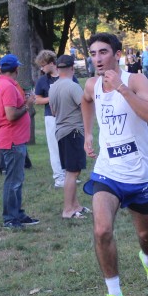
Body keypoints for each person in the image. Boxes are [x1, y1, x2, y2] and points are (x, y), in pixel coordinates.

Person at [80, 32, 148, 296]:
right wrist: (88, 133)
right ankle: (114, 294)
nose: (97, 58)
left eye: (103, 52)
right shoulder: (92, 85)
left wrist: (121, 88)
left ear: (117, 54)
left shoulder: (135, 80)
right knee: (102, 230)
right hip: (108, 172)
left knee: (147, 237)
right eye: (93, 53)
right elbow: (86, 101)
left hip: (138, 174)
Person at [0, 53, 39, 229]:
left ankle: (17, 214)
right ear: (16, 69)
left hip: (13, 138)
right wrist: (28, 104)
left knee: (17, 179)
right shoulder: (8, 87)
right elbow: (10, 115)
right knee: (13, 181)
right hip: (12, 139)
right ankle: (10, 218)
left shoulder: (0, 84)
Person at [48, 54, 89, 219]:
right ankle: (68, 210)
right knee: (73, 172)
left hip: (60, 132)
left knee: (70, 171)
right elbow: (85, 108)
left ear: (58, 69)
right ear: (72, 68)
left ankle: (76, 205)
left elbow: (53, 111)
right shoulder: (73, 87)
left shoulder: (53, 87)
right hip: (73, 132)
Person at [34, 50, 67, 189]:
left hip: (68, 116)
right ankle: (59, 177)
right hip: (51, 117)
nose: (42, 69)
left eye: (43, 65)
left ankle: (69, 175)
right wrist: (52, 97)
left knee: (67, 146)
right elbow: (37, 99)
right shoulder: (42, 80)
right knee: (54, 148)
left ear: (52, 63)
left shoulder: (66, 76)